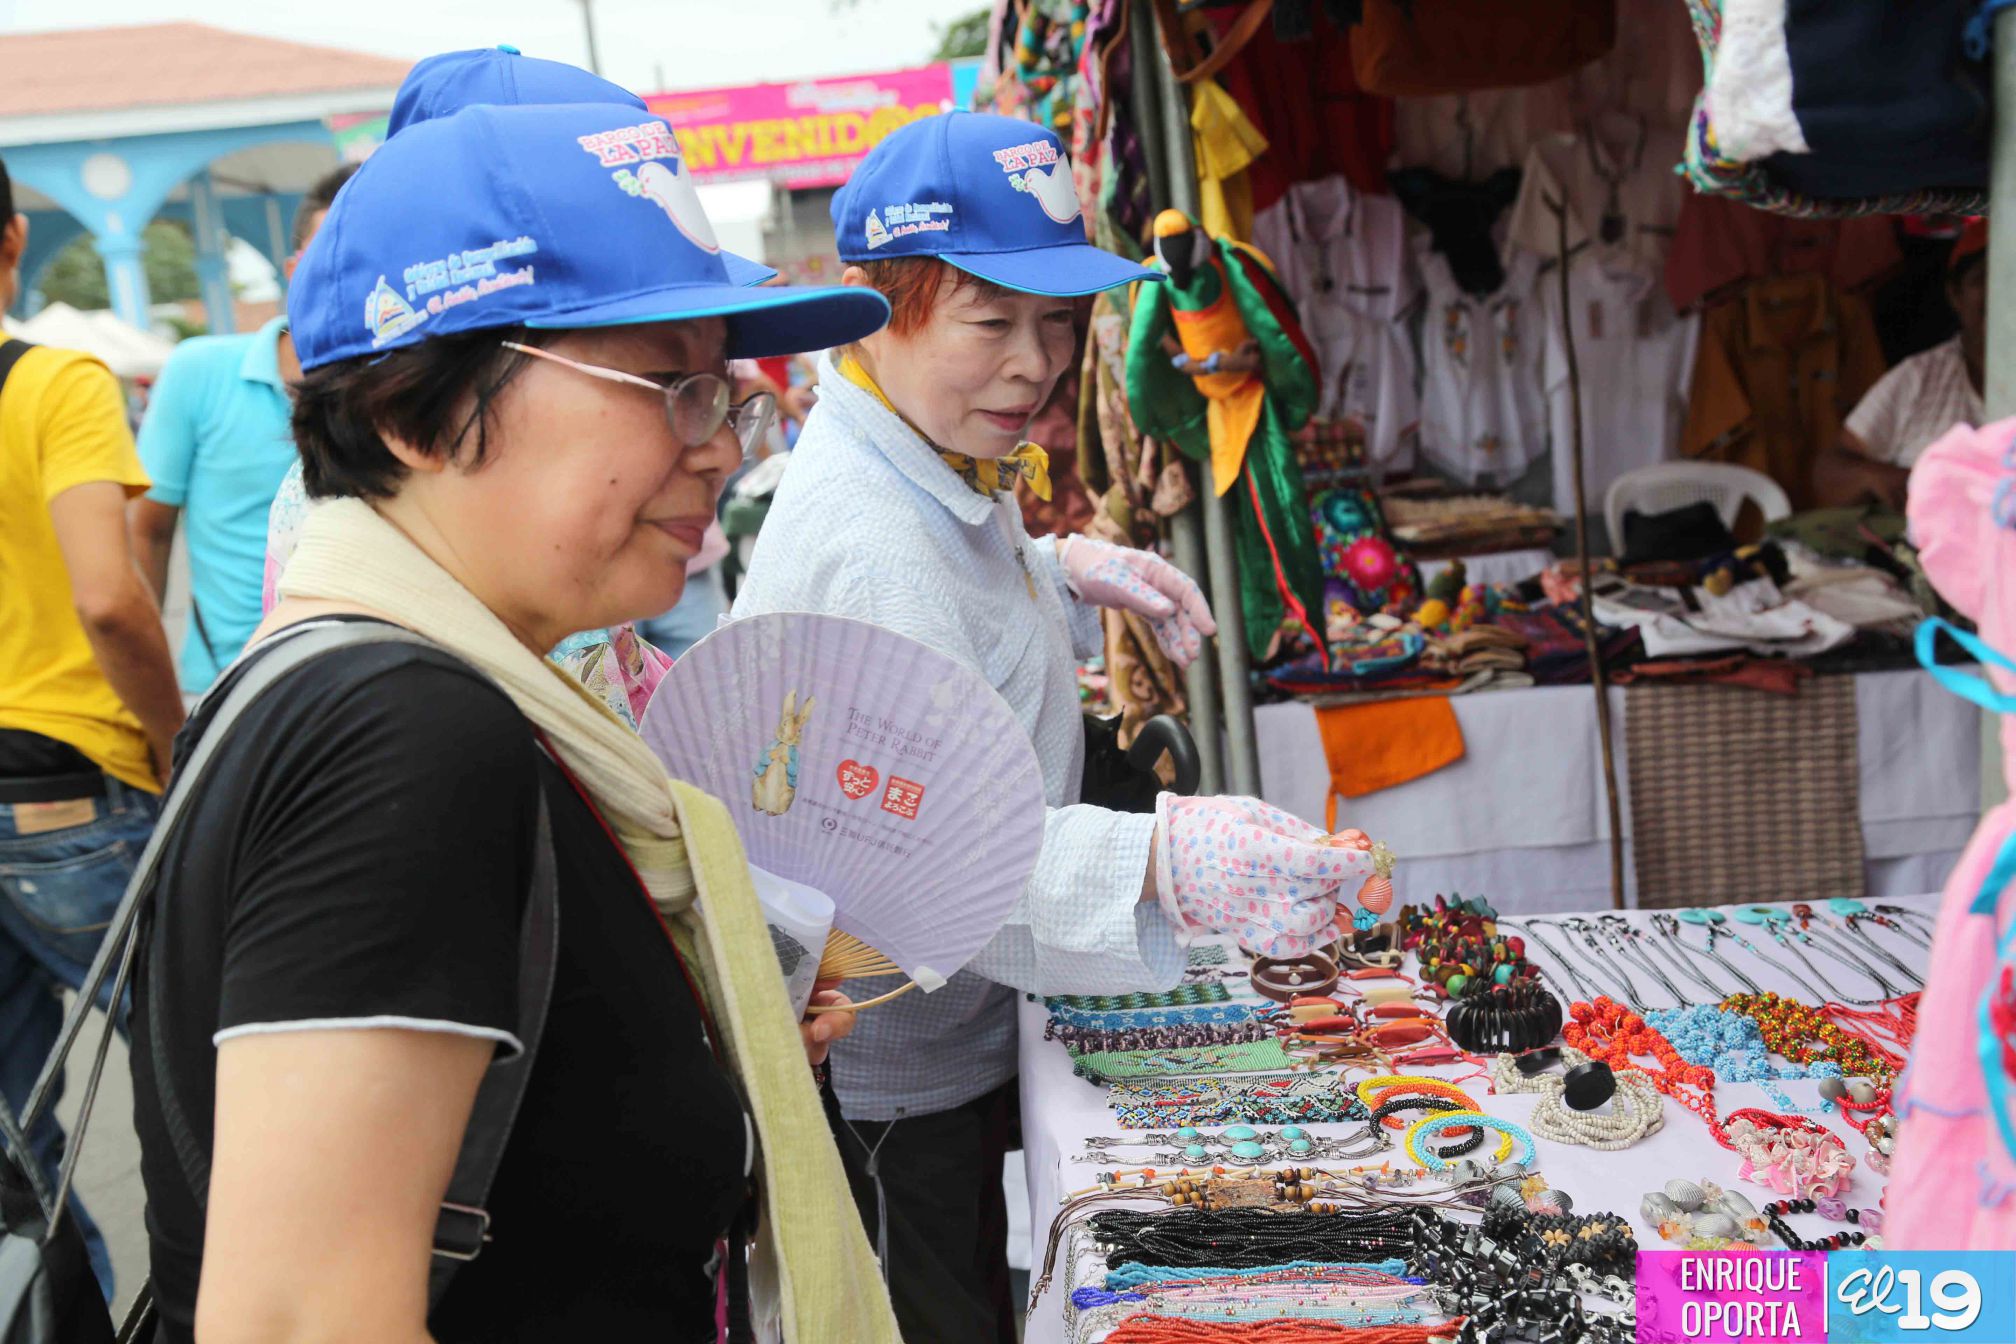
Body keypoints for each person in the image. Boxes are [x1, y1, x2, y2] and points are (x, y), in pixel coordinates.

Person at [129, 102, 900, 1344]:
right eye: (669, 386)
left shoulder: (409, 694)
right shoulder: (402, 735)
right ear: (418, 414)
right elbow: (296, 1320)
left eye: (729, 397)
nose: (719, 452)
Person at [732, 111, 1383, 1342]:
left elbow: (941, 646)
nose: (1034, 364)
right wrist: (1160, 860)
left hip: (953, 1027)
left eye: (1058, 322)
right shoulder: (871, 539)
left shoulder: (926, 455)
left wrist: (1047, 567)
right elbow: (930, 848)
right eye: (992, 322)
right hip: (887, 1065)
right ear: (878, 310)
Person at [0, 151, 184, 1299]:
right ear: (13, 239)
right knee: (225, 1070)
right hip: (68, 796)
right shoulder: (53, 383)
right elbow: (111, 597)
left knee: (16, 1155)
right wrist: (179, 747)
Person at [132, 164, 358, 697]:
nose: (342, 275)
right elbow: (148, 529)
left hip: (362, 689)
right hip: (225, 686)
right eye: (324, 256)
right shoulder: (199, 372)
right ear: (291, 267)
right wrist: (152, 690)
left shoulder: (402, 388)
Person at [1814, 217, 1986, 509]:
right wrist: (1875, 476)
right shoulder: (1920, 378)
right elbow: (1829, 471)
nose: (2005, 292)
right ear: (1955, 296)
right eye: (1982, 279)